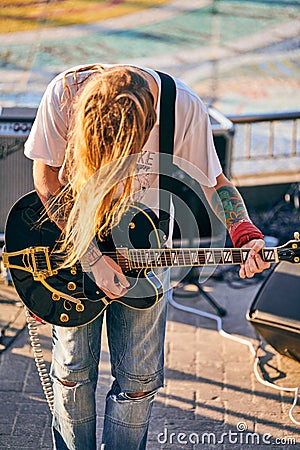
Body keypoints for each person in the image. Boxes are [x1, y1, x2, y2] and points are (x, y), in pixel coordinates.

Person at [24, 64, 270, 450]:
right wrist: (91, 258)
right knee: (72, 374)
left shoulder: (183, 107)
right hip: (74, 243)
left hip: (147, 251)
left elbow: (216, 184)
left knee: (138, 384)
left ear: (149, 124)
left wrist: (245, 235)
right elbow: (46, 178)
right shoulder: (63, 93)